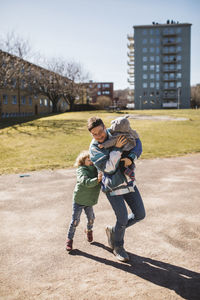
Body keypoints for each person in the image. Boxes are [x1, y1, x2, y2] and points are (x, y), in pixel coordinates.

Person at [88, 116, 145, 262]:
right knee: (122, 218)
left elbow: (136, 142)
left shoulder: (115, 132)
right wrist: (118, 148)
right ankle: (118, 247)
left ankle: (114, 231)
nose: (100, 135)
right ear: (91, 134)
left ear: (105, 126)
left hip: (128, 181)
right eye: (95, 134)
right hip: (112, 187)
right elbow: (109, 168)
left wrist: (132, 156)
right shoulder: (94, 149)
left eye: (101, 131)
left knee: (140, 214)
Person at [66, 150, 102, 252]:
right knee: (75, 221)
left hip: (89, 200)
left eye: (92, 160)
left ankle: (89, 230)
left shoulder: (96, 169)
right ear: (82, 161)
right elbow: (85, 182)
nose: (91, 162)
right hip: (79, 200)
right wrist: (97, 180)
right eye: (88, 160)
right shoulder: (81, 170)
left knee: (91, 218)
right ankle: (69, 239)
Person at [98, 116, 139, 181]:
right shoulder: (129, 132)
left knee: (121, 164)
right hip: (129, 149)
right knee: (128, 161)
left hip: (123, 150)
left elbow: (111, 142)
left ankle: (129, 173)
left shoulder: (117, 136)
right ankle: (131, 168)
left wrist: (103, 145)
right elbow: (136, 136)